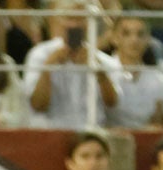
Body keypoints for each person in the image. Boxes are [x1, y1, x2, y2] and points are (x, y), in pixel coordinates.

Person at [23, 0, 121, 128]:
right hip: (50, 132)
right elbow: (37, 105)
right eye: (69, 18)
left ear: (90, 23)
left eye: (81, 18)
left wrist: (99, 72)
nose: (75, 24)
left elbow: (113, 106)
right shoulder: (39, 55)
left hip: (91, 134)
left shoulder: (106, 62)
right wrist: (47, 68)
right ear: (58, 21)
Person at [104, 14, 163, 128]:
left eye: (140, 34)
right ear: (114, 38)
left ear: (148, 39)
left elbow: (159, 122)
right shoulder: (103, 69)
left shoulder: (159, 78)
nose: (134, 40)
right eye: (126, 34)